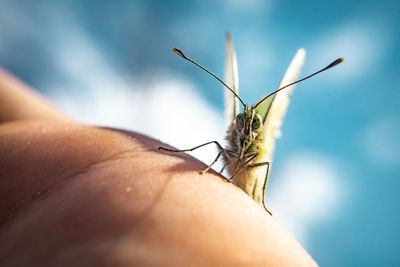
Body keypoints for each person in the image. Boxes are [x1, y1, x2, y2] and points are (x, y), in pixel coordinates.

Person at [0, 68, 317, 266]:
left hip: (250, 187)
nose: (246, 126)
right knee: (215, 147)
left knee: (261, 161)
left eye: (252, 123)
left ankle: (259, 200)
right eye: (242, 121)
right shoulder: (234, 132)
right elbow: (218, 147)